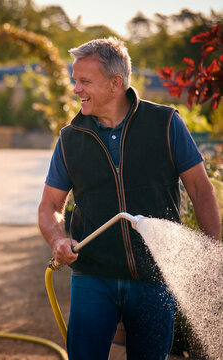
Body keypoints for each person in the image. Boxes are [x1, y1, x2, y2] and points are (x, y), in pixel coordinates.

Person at [38, 37, 221, 359]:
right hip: (93, 275)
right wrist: (57, 238)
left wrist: (211, 257)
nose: (75, 89)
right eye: (74, 80)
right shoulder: (70, 139)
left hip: (154, 277)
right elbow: (51, 205)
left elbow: (201, 190)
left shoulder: (165, 124)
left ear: (115, 83)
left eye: (84, 81)